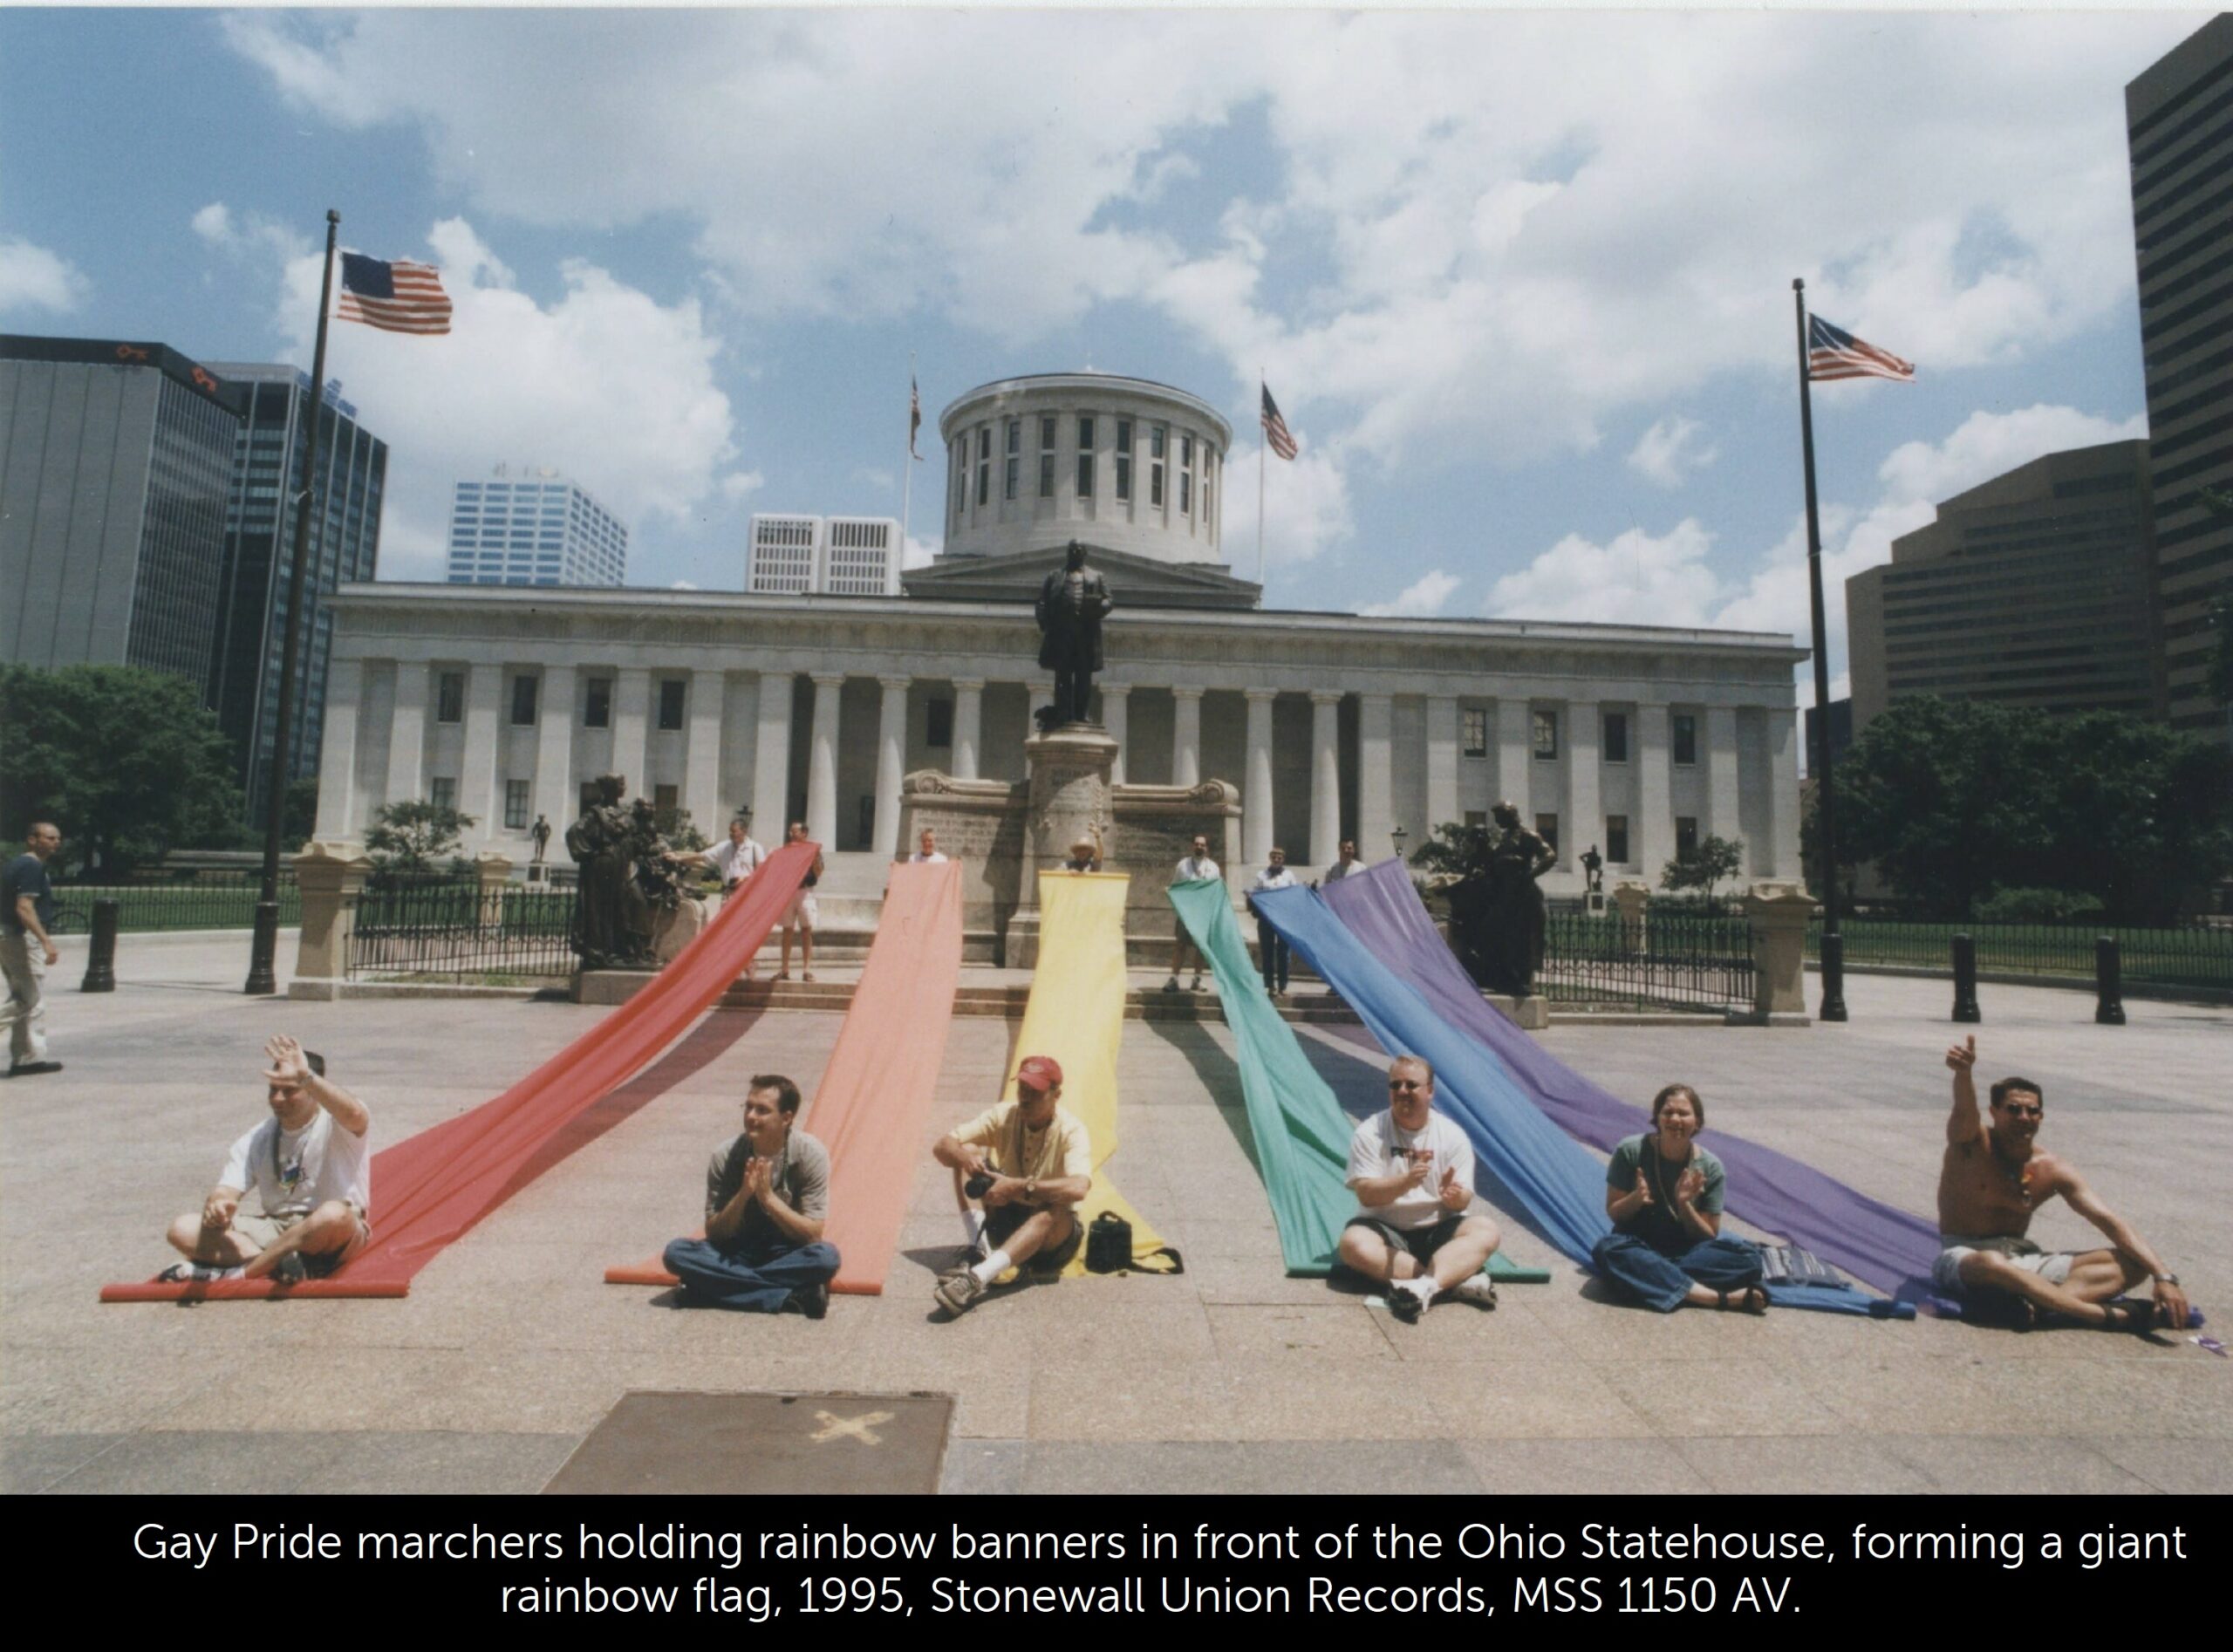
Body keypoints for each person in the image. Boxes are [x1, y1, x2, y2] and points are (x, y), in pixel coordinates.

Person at [1934, 1036, 2188, 1332]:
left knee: (2133, 1262)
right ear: (1994, 1112)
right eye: (2013, 1109)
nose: (2024, 1118)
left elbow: (2107, 1219)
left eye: (2032, 1111)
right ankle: (2100, 1315)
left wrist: (2163, 1276)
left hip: (2024, 1260)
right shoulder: (1971, 1145)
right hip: (1966, 1257)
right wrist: (1963, 1074)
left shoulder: (2052, 1167)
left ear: (2042, 1116)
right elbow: (1964, 1112)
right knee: (1990, 1263)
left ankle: (2037, 1308)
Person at [162, 1034, 372, 1285]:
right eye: (273, 1089)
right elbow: (226, 1191)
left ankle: (239, 1273)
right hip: (274, 1228)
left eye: (290, 1090)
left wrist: (306, 1076)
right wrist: (219, 1206)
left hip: (327, 1230)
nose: (277, 1100)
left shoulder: (337, 1124)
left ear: (313, 1092)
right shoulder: (257, 1137)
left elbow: (355, 1113)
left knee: (334, 1215)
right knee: (182, 1228)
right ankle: (283, 1263)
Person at [1336, 1055, 1501, 1321]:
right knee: (1352, 1245)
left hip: (1437, 1228)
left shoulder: (1452, 1135)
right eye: (1395, 1085)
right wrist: (1406, 1181)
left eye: (1411, 1085)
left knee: (1486, 1230)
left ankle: (1423, 1286)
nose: (1402, 1092)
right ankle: (1453, 1279)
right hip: (1385, 1229)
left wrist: (1454, 1197)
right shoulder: (1369, 1132)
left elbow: (1462, 1203)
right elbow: (1366, 1194)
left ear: (1430, 1091)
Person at [662, 1074, 838, 1317]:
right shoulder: (725, 1155)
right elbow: (715, 1233)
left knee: (826, 1258)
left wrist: (768, 1199)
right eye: (748, 1107)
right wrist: (744, 1195)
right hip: (737, 1251)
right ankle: (788, 1296)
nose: (750, 1117)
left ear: (786, 1118)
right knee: (677, 1253)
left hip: (786, 1252)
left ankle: (707, 1291)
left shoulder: (810, 1154)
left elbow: (812, 1234)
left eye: (762, 1110)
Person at [931, 1055, 1092, 1317]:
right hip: (1007, 1217)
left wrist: (1021, 1187)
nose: (1025, 1098)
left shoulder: (1072, 1130)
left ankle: (975, 1279)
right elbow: (942, 1147)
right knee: (967, 1151)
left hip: (1051, 1239)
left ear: (1056, 1095)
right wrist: (966, 1159)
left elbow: (1079, 1188)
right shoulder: (1004, 1114)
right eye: (1022, 1089)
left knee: (1052, 1212)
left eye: (1035, 1092)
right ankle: (980, 1250)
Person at [1591, 1083, 1766, 1313]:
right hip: (1637, 1244)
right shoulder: (1631, 1151)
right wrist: (1636, 1198)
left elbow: (1708, 1235)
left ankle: (1652, 1278)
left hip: (1687, 1253)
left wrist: (1684, 1205)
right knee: (1608, 1249)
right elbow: (1615, 1214)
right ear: (1657, 1118)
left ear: (1697, 1122)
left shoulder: (1710, 1167)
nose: (1675, 1119)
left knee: (1749, 1258)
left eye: (1683, 1113)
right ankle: (1718, 1298)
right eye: (1668, 1112)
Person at [3, 821, 64, 1078]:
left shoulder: (17, 864)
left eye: (57, 838)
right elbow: (24, 907)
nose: (55, 842)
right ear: (32, 839)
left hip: (10, 934)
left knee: (26, 995)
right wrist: (46, 940)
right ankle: (28, 1057)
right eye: (49, 838)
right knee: (30, 998)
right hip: (20, 936)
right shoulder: (31, 866)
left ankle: (27, 1058)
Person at [1164, 833, 1220, 993]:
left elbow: (1216, 892)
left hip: (1203, 914)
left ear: (1207, 848)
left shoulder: (1214, 868)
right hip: (1186, 913)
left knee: (1201, 947)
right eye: (1196, 844)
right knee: (1180, 945)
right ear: (1192, 846)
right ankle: (1174, 979)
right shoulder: (1183, 865)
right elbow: (1175, 886)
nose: (1199, 847)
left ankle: (1197, 979)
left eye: (1202, 845)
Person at [775, 821, 825, 983]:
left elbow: (818, 873)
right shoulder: (787, 850)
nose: (791, 834)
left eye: (795, 832)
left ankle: (806, 970)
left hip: (805, 892)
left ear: (804, 833)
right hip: (789, 893)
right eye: (791, 831)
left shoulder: (812, 850)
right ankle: (784, 970)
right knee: (787, 930)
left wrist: (815, 857)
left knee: (806, 930)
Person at [1248, 846, 1299, 999]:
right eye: (1274, 856)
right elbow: (1256, 894)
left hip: (1283, 919)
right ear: (1270, 858)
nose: (1277, 859)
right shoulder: (1261, 875)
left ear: (1283, 859)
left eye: (1279, 857)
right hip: (1266, 919)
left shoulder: (1289, 875)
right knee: (1267, 952)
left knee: (1284, 953)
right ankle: (1270, 986)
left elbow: (1294, 894)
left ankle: (1283, 986)